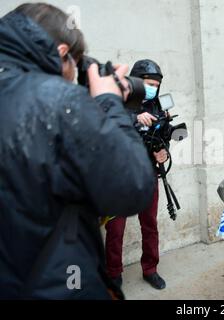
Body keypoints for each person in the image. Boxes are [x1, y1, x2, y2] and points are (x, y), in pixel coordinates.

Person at [0, 3, 155, 299]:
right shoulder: (59, 100)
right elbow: (133, 188)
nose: (74, 76)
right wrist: (110, 103)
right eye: (76, 64)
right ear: (61, 53)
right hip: (56, 285)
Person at [105, 59, 168, 291]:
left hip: (148, 174)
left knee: (150, 224)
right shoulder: (118, 100)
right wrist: (134, 118)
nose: (153, 88)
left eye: (156, 84)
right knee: (115, 228)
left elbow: (162, 138)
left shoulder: (156, 105)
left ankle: (150, 269)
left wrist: (163, 152)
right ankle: (113, 273)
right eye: (148, 83)